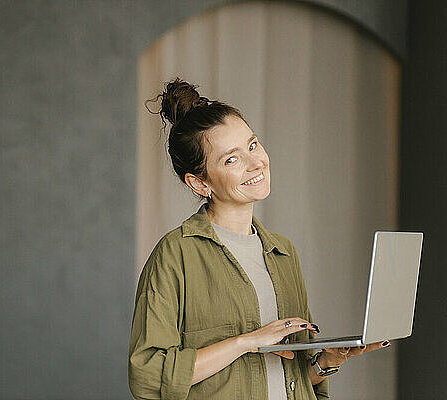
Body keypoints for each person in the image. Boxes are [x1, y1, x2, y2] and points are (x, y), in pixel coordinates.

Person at [127, 78, 391, 400]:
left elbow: (290, 377)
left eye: (252, 145)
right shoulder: (175, 255)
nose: (256, 163)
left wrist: (325, 362)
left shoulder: (283, 253)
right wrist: (244, 342)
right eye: (231, 159)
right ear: (199, 183)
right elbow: (148, 376)